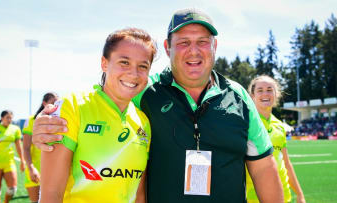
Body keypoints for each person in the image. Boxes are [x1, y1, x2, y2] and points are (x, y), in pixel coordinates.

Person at [32, 8, 284, 202]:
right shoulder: (144, 90)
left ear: (214, 46)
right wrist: (49, 121)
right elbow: (105, 95)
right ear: (168, 47)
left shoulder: (238, 97)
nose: (194, 51)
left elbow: (263, 167)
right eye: (183, 42)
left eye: (202, 41)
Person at [39, 27, 157, 203]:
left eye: (143, 66)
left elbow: (139, 196)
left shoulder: (143, 122)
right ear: (104, 63)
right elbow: (50, 196)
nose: (133, 73)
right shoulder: (72, 107)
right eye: (124, 62)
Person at [246, 75, 306, 203]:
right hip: (253, 198)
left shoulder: (279, 125)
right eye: (260, 90)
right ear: (252, 96)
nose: (265, 94)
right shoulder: (246, 123)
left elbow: (286, 163)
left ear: (276, 94)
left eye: (269, 89)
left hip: (283, 197)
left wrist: (300, 194)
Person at [22, 92, 58, 203]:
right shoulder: (32, 121)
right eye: (52, 102)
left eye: (57, 103)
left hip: (54, 170)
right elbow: (26, 148)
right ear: (44, 103)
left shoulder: (59, 120)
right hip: (36, 169)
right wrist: (31, 168)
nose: (54, 106)